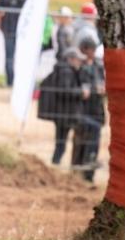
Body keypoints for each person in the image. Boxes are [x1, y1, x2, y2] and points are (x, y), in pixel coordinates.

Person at [40, 47, 86, 166]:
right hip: (65, 113)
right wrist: (81, 92)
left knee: (61, 143)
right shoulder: (66, 71)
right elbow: (66, 90)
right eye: (78, 59)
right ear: (71, 59)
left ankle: (56, 164)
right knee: (61, 143)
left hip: (64, 113)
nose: (80, 62)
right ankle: (55, 164)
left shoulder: (64, 70)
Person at [74, 37, 106, 182]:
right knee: (81, 141)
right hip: (83, 110)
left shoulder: (98, 66)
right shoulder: (79, 66)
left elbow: (102, 83)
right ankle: (78, 170)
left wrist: (102, 89)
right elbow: (78, 86)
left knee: (94, 142)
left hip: (96, 109)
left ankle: (88, 174)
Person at [0, 0, 32, 87]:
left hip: (8, 29)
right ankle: (18, 82)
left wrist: (1, 26)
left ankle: (10, 81)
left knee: (9, 57)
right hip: (20, 31)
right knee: (19, 57)